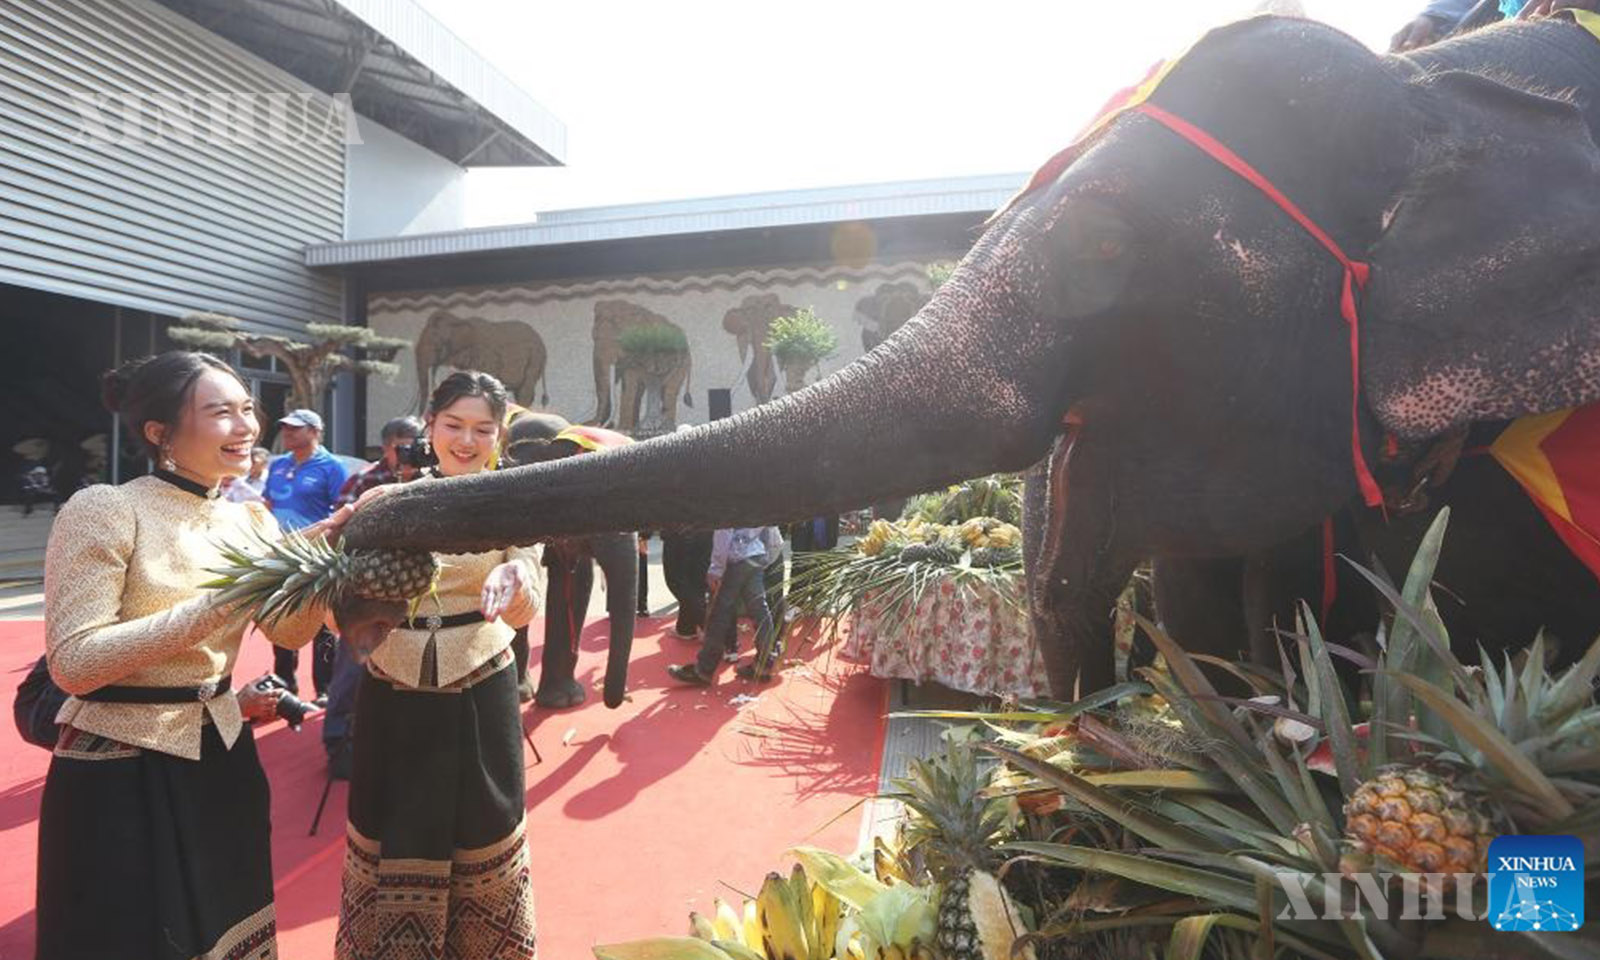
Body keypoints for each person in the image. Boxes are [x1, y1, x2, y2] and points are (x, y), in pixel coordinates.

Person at [37, 351, 335, 960]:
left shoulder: (250, 519)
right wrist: (228, 598)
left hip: (222, 757)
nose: (247, 426)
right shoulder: (106, 508)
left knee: (227, 927)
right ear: (160, 433)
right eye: (221, 412)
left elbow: (290, 631)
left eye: (248, 409)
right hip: (121, 770)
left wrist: (324, 570)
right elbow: (74, 662)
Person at [334, 371, 541, 960]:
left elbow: (530, 599)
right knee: (387, 824)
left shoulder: (516, 505)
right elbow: (343, 601)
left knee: (484, 826)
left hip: (480, 684)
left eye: (483, 429)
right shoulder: (387, 500)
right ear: (430, 426)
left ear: (500, 435)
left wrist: (516, 578)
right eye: (454, 425)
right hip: (392, 686)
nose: (467, 441)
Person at [263, 408, 348, 703]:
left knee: (321, 623)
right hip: (281, 555)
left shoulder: (332, 466)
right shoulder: (278, 465)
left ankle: (324, 689)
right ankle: (285, 685)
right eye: (285, 427)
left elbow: (342, 512)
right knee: (282, 618)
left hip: (316, 556)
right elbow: (268, 503)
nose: (287, 433)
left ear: (314, 431)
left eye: (295, 428)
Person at [667, 525, 785, 685]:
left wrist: (716, 569)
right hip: (755, 554)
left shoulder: (729, 509)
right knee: (760, 610)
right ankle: (765, 663)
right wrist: (766, 555)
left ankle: (704, 669)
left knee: (719, 614)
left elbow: (723, 533)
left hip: (736, 558)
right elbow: (770, 530)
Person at [336, 415, 423, 508]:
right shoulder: (363, 481)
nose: (409, 454)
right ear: (385, 449)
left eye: (414, 448)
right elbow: (342, 514)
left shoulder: (431, 476)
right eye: (403, 449)